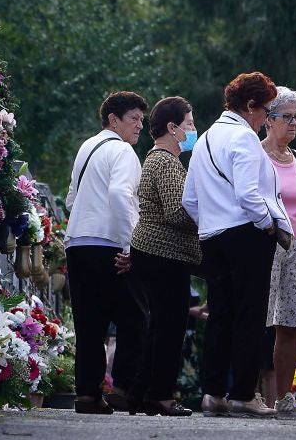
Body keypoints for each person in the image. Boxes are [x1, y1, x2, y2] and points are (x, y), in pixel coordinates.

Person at [182, 72, 292, 418]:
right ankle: (244, 393)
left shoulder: (204, 141)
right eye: (266, 110)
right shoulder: (243, 138)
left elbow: (189, 200)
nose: (266, 119)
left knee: (220, 315)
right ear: (250, 106)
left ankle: (213, 393)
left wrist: (211, 223)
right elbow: (248, 194)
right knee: (250, 316)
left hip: (212, 237)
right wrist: (267, 225)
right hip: (246, 235)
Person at [64, 91, 148, 415]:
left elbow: (72, 199)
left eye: (142, 119)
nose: (140, 126)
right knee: (135, 316)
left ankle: (87, 393)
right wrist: (131, 245)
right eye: (134, 119)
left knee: (89, 323)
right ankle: (123, 387)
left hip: (78, 242)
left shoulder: (86, 148)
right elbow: (119, 193)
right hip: (110, 245)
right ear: (114, 120)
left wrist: (89, 214)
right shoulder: (123, 151)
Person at [126, 97, 201, 416]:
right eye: (190, 124)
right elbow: (176, 213)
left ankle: (141, 392)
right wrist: (207, 212)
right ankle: (160, 395)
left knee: (159, 326)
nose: (194, 130)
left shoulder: (157, 159)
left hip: (153, 252)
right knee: (170, 326)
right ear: (172, 128)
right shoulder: (166, 162)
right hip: (162, 254)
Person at [260, 87, 296, 418]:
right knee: (258, 319)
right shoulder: (256, 154)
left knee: (291, 323)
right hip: (266, 243)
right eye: (287, 117)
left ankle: (284, 398)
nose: (293, 123)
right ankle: (245, 394)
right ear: (268, 119)